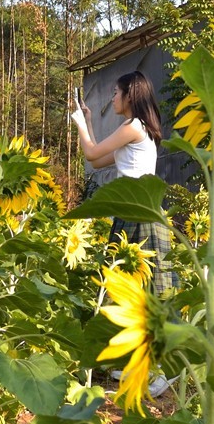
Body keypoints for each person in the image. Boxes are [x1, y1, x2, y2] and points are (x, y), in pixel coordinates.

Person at [70, 71, 176, 396]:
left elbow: (91, 153)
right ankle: (139, 364)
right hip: (132, 212)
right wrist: (88, 122)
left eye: (116, 93)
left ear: (130, 95)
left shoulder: (133, 127)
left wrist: (78, 122)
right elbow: (96, 161)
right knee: (129, 291)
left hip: (140, 213)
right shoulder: (135, 128)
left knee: (151, 292)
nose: (113, 98)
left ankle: (163, 371)